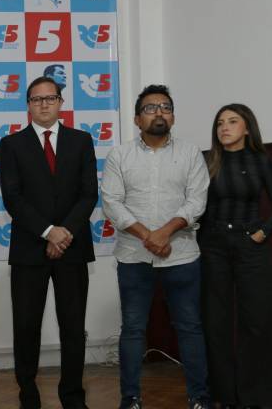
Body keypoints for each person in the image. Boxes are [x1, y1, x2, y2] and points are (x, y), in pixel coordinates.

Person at [101, 84, 210, 409]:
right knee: (133, 330)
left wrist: (164, 233)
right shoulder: (120, 155)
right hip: (134, 257)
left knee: (190, 328)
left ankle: (199, 398)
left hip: (182, 255)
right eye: (150, 108)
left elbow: (197, 200)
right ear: (137, 119)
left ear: (173, 116)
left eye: (165, 107)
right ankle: (131, 399)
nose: (159, 112)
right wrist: (148, 235)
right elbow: (112, 202)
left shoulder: (190, 153)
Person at [0, 76, 97, 409]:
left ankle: (73, 396)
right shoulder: (12, 144)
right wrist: (47, 231)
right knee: (26, 327)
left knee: (73, 326)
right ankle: (28, 394)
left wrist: (63, 232)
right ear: (28, 105)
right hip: (29, 248)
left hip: (73, 247)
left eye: (50, 98)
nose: (43, 104)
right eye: (36, 99)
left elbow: (89, 194)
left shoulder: (81, 141)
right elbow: (13, 197)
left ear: (60, 102)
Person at [199, 103, 272, 408]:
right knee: (215, 322)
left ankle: (255, 397)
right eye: (220, 123)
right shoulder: (207, 160)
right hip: (213, 246)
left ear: (246, 128)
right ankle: (224, 395)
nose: (224, 127)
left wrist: (264, 232)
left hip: (250, 245)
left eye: (232, 121)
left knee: (256, 321)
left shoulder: (261, 160)